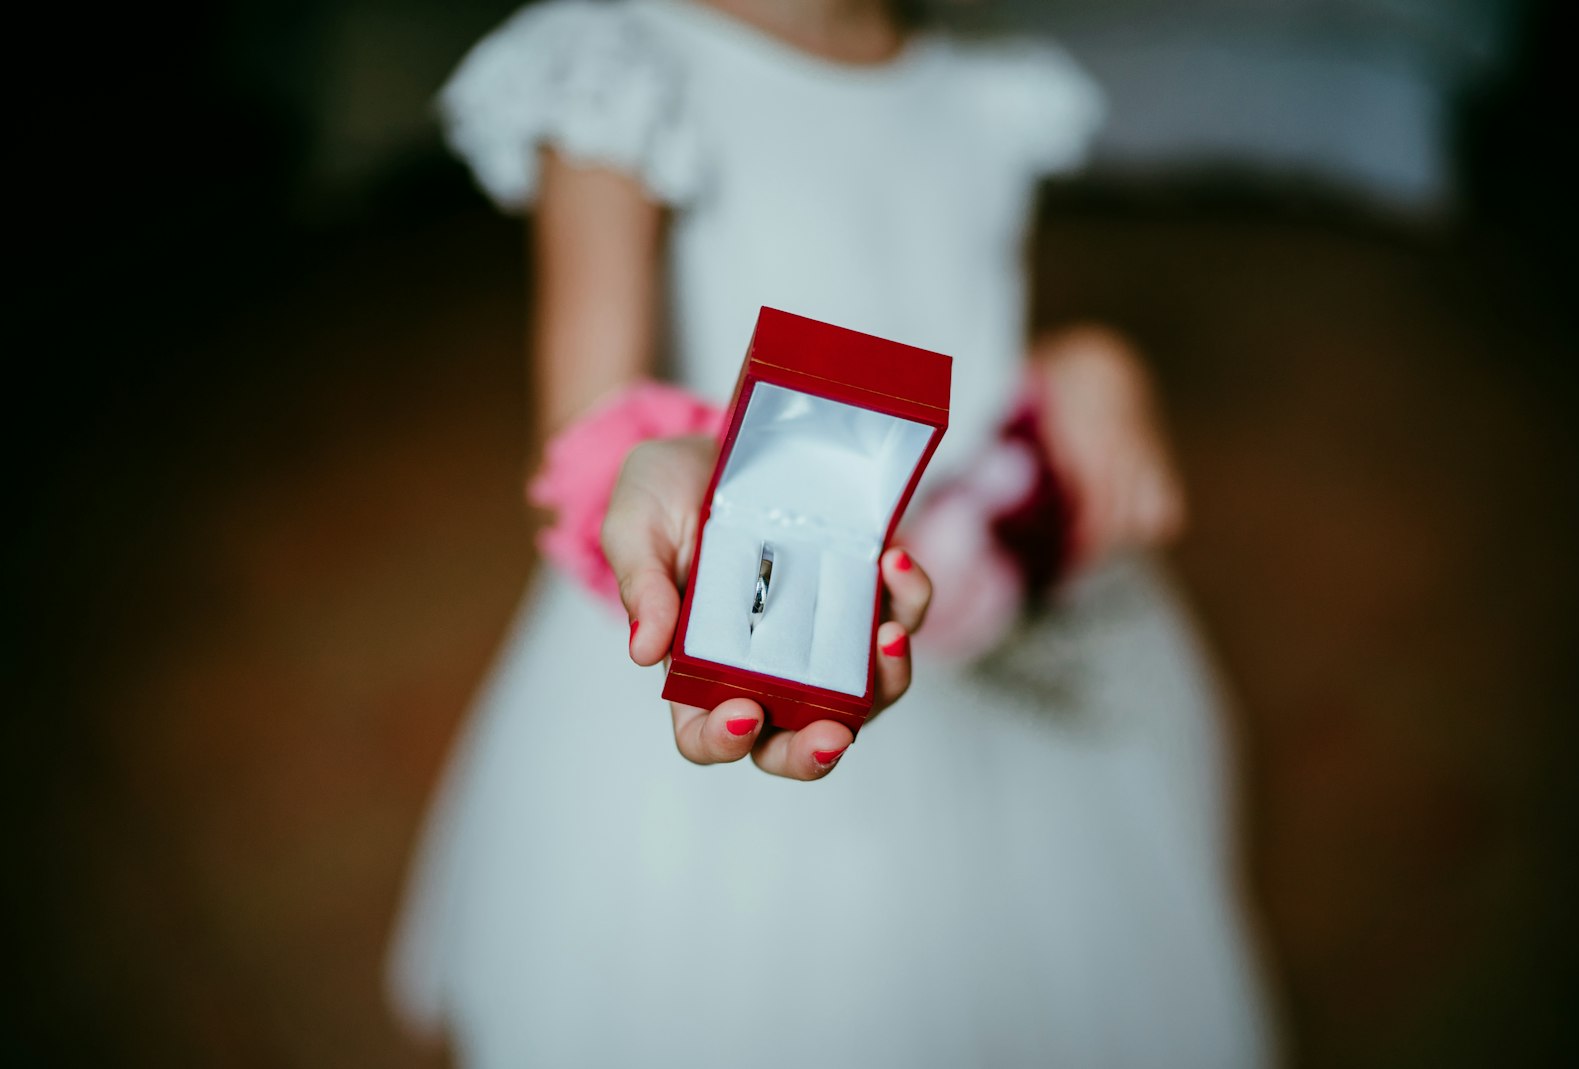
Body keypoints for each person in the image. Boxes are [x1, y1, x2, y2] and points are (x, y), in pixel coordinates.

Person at [388, 1, 1277, 1065]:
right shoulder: (622, 69)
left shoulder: (991, 90)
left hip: (954, 616)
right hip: (747, 600)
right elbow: (584, 429)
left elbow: (962, 374)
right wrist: (660, 471)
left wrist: (1086, 367)